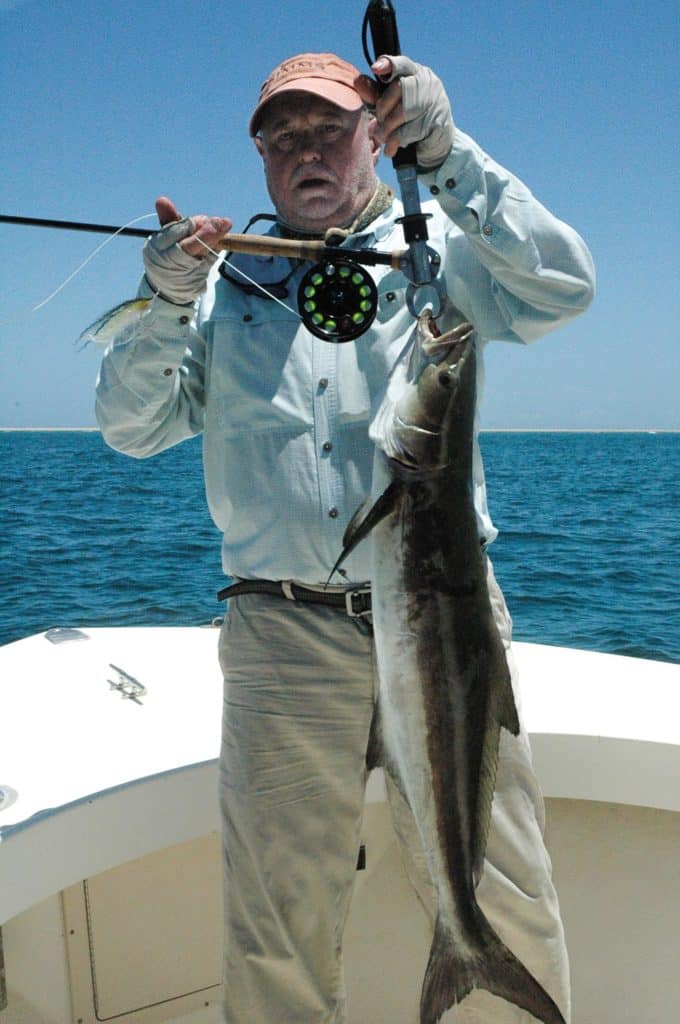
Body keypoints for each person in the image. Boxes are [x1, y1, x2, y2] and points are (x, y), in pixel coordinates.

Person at [95, 51, 594, 1023]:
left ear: (375, 135)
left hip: (444, 616)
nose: (305, 150)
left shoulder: (442, 252)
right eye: (281, 136)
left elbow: (563, 286)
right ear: (259, 158)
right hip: (281, 634)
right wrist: (159, 306)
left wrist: (451, 157)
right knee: (273, 928)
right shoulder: (217, 285)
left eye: (328, 127)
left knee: (503, 890)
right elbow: (130, 426)